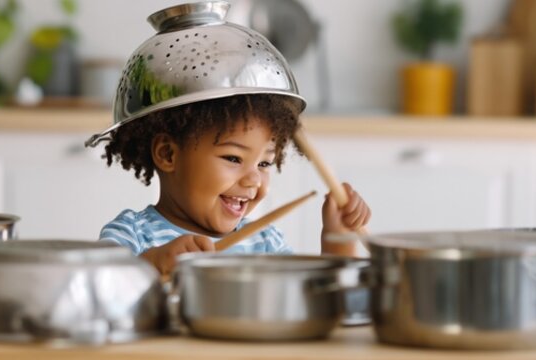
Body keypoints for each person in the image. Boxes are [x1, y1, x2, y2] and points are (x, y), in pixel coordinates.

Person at [85, 2, 371, 275]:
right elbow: (98, 290)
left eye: (264, 163)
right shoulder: (132, 234)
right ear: (168, 154)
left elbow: (319, 303)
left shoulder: (265, 242)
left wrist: (339, 240)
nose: (253, 181)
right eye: (234, 158)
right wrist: (153, 263)